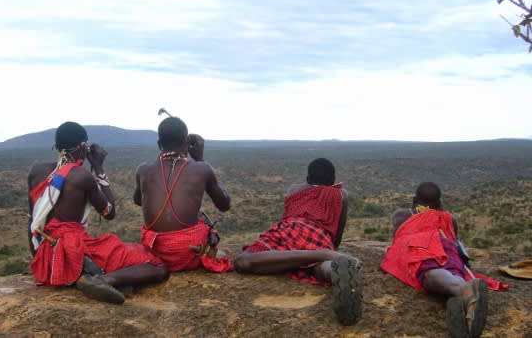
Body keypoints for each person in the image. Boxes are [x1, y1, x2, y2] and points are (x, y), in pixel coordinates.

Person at [27, 121, 168, 304]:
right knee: (158, 265)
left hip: (46, 253)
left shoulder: (36, 171)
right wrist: (99, 168)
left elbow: (32, 222)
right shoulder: (81, 176)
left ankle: (95, 274)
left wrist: (37, 260)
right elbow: (109, 212)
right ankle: (101, 280)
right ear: (83, 147)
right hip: (74, 250)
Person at [233, 158, 362, 326]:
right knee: (320, 267)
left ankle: (300, 259)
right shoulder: (341, 194)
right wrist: (330, 247)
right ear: (333, 180)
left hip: (288, 229)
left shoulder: (294, 189)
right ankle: (331, 266)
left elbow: (286, 215)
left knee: (242, 261)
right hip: (319, 236)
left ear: (308, 179)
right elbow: (337, 234)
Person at [380, 182, 507, 338]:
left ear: (414, 201)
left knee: (428, 272)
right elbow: (455, 241)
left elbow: (398, 239)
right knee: (453, 268)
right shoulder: (448, 218)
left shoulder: (401, 215)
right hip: (444, 244)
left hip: (419, 244)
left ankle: (462, 291)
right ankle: (462, 291)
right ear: (440, 203)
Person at [134, 117, 233, 272]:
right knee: (203, 220)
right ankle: (207, 252)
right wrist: (200, 158)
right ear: (187, 142)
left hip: (154, 251)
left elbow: (139, 201)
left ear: (160, 145)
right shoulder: (202, 168)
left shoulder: (143, 169)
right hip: (188, 254)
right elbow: (225, 204)